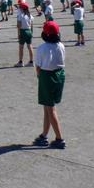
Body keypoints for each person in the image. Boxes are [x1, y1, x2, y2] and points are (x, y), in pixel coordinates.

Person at [32, 21, 66, 149]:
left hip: (47, 76)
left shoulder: (42, 48)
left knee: (50, 109)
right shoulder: (61, 45)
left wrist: (40, 78)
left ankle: (59, 138)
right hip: (59, 75)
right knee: (47, 107)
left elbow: (38, 67)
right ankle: (44, 135)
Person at [15, 2, 34, 67]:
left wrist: (18, 34)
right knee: (30, 46)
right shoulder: (30, 15)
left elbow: (19, 26)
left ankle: (20, 62)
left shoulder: (20, 15)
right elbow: (32, 25)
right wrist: (31, 32)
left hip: (23, 31)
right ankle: (31, 61)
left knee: (21, 47)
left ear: (22, 9)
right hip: (29, 31)